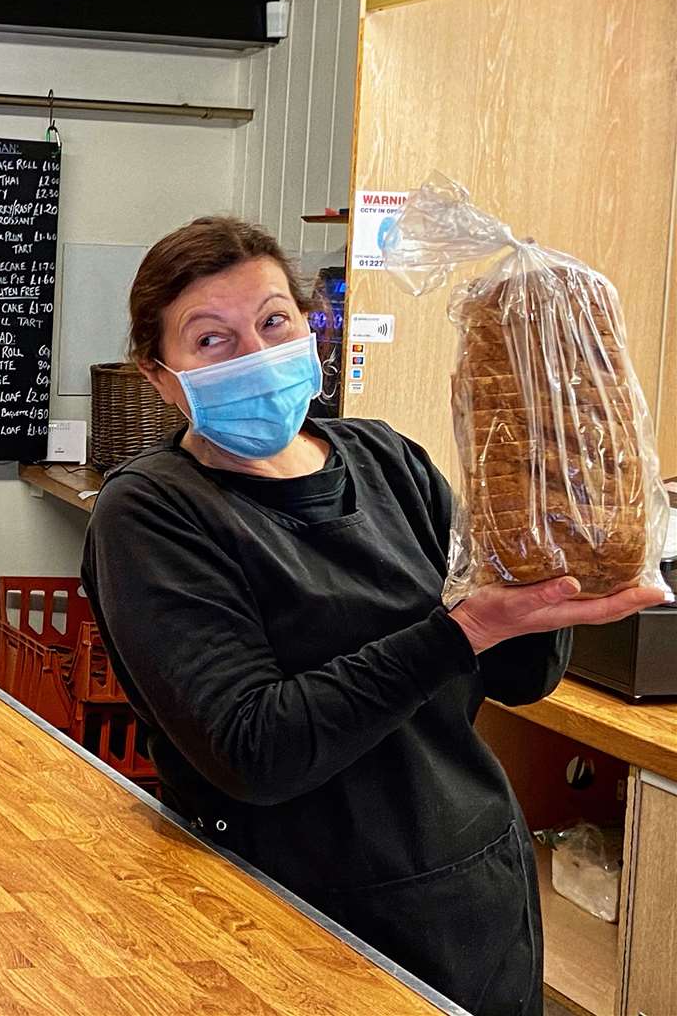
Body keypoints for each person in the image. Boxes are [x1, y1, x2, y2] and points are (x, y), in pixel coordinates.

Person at [81, 217, 665, 1016]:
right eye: (212, 340)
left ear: (308, 328)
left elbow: (521, 677)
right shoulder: (152, 512)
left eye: (274, 321)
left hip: (471, 896)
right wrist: (464, 629)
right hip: (288, 919)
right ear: (159, 375)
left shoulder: (389, 461)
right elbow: (256, 749)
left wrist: (543, 559)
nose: (256, 353)